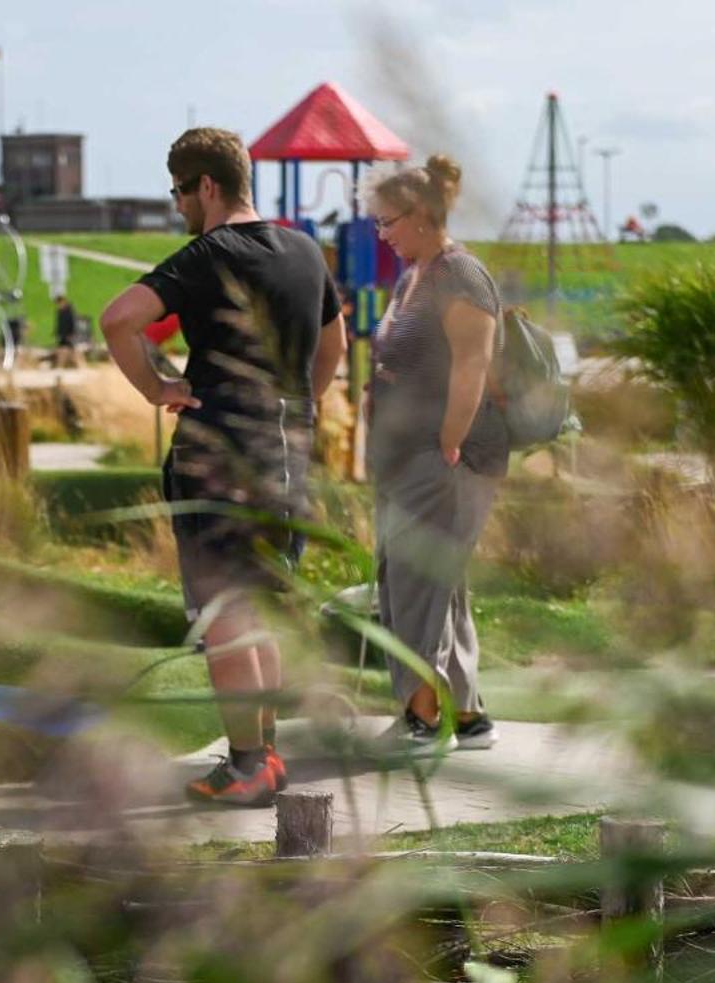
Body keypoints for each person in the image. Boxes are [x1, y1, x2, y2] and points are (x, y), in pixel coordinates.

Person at [99, 128, 346, 808]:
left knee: (226, 615)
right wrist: (302, 402)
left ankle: (245, 764)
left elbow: (117, 318)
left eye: (180, 191)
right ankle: (262, 756)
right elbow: (335, 343)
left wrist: (158, 388)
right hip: (288, 449)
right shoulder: (303, 249)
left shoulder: (208, 255)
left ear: (206, 185)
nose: (179, 204)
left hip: (220, 451)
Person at [359, 154, 504, 754]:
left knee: (415, 582)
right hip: (407, 454)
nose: (382, 234)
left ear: (421, 216)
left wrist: (448, 441)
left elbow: (473, 366)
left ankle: (421, 721)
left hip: (444, 458)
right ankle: (468, 717)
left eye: (388, 222)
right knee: (433, 583)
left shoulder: (461, 275)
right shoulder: (416, 272)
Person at [53, 293, 81, 367]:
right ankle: (60, 365)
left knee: (71, 350)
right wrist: (56, 332)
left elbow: (73, 322)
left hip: (69, 334)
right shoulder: (59, 311)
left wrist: (72, 333)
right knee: (63, 350)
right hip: (63, 334)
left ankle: (79, 365)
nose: (59, 305)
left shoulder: (70, 311)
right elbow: (59, 324)